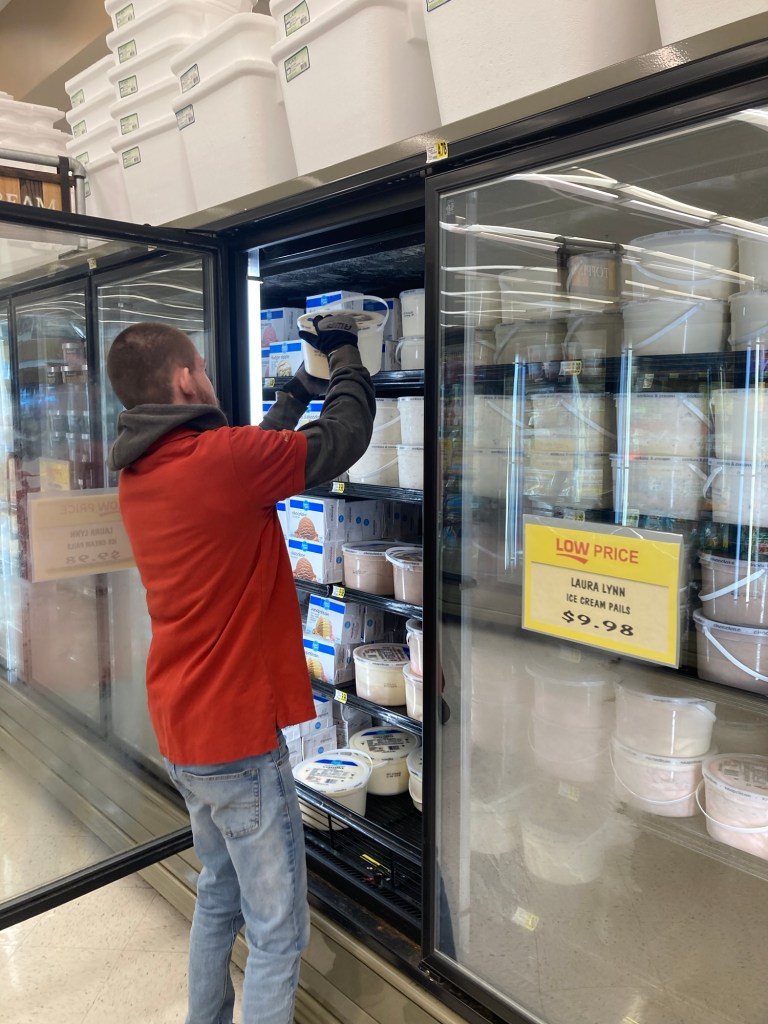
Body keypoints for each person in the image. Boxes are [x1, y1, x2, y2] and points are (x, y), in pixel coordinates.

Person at [106, 315, 374, 1024]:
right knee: (280, 931)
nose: (208, 375)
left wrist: (300, 388)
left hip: (183, 732)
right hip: (239, 741)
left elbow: (252, 459)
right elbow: (343, 437)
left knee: (219, 895)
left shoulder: (142, 472)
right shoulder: (222, 463)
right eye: (201, 366)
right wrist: (348, 355)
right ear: (185, 379)